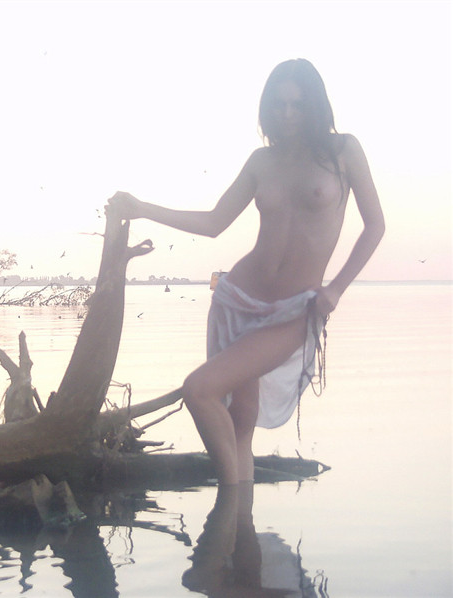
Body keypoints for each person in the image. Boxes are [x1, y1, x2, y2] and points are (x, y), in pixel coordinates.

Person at [107, 58, 385, 486]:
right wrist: (142, 209)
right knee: (240, 425)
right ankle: (240, 521)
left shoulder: (342, 152)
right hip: (237, 299)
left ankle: (228, 504)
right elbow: (214, 222)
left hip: (294, 310)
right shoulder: (261, 161)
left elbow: (375, 226)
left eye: (297, 104)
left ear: (314, 106)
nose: (287, 113)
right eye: (278, 104)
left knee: (199, 390)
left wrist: (336, 289)